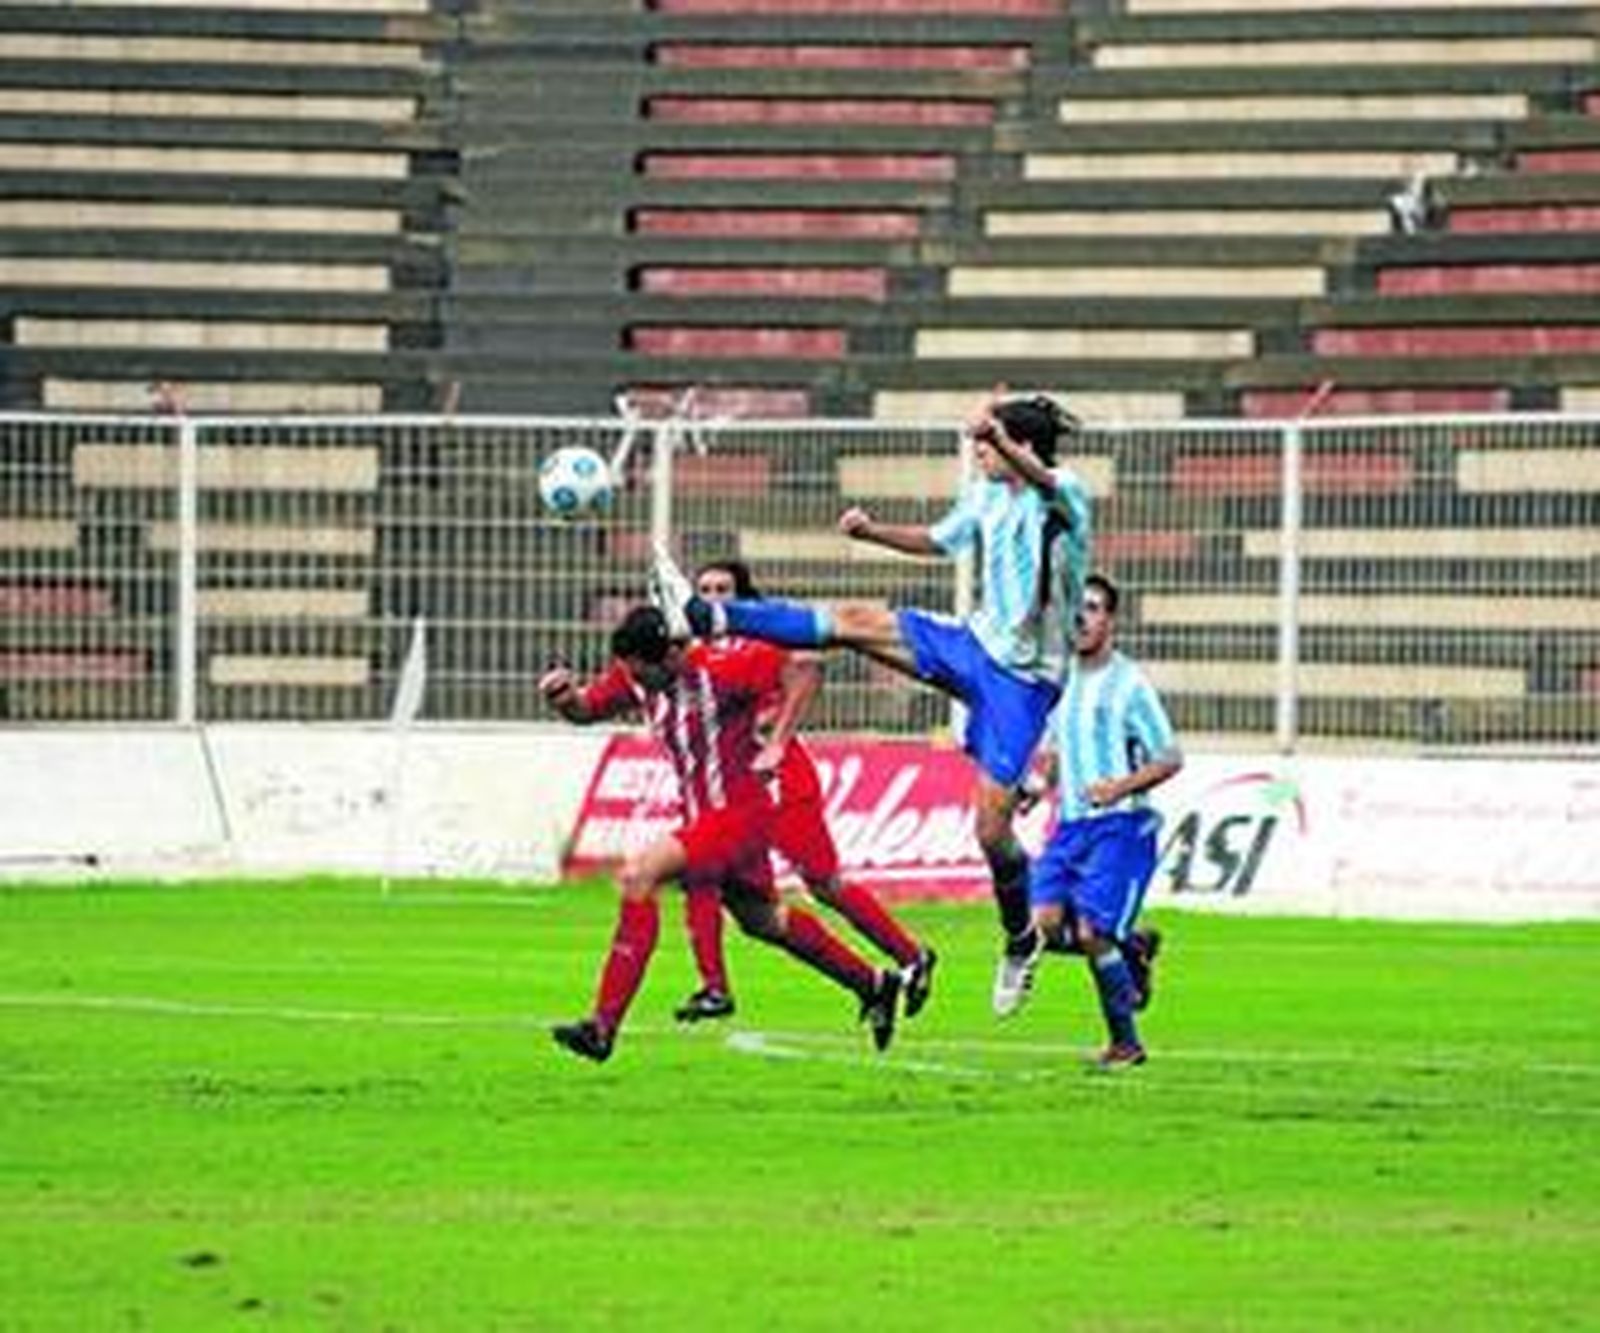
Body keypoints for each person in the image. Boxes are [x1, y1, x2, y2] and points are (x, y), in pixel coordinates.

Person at [650, 392, 1090, 1016]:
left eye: (989, 446)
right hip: (973, 644)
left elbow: (1042, 479)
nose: (980, 454)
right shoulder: (986, 497)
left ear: (1017, 446)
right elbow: (937, 541)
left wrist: (1001, 434)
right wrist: (872, 531)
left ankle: (1020, 939)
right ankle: (708, 613)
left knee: (992, 831)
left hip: (1025, 683)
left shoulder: (1065, 493)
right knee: (856, 620)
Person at [538, 603, 901, 1063]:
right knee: (764, 921)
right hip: (707, 819)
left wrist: (778, 742)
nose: (636, 682)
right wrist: (565, 699)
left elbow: (805, 669)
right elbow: (587, 710)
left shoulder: (724, 667)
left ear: (669, 656)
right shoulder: (638, 673)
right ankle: (872, 984)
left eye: (642, 673)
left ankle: (602, 1027)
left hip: (741, 815)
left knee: (638, 875)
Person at [673, 558, 936, 1025]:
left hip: (778, 780)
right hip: (734, 788)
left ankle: (911, 955)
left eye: (724, 589)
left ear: (744, 597)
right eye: (706, 589)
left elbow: (810, 661)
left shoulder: (756, 637)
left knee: (823, 883)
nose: (714, 598)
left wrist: (777, 733)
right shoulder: (695, 653)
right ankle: (873, 981)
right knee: (752, 912)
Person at [1004, 574, 1181, 1069]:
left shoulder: (1130, 685)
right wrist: (1040, 787)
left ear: (1111, 620)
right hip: (1070, 828)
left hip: (1121, 826)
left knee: (1089, 932)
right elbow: (1063, 748)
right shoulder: (1063, 681)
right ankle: (1131, 951)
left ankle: (1126, 1043)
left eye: (1094, 608)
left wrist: (1119, 788)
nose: (1081, 618)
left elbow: (1170, 758)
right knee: (1037, 928)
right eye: (1075, 609)